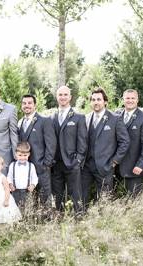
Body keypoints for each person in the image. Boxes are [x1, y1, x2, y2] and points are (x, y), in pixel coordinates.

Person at [82, 88, 130, 205]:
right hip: (86, 167)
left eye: (99, 99)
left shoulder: (115, 119)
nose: (96, 102)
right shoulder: (86, 118)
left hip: (105, 166)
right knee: (82, 198)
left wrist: (115, 161)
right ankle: (81, 219)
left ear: (105, 102)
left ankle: (104, 221)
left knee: (105, 200)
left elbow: (125, 142)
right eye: (93, 100)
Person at [51, 86, 87, 214]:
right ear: (57, 97)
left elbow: (82, 142)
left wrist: (78, 160)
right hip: (56, 164)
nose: (63, 97)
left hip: (72, 163)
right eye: (60, 95)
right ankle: (59, 217)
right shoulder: (51, 118)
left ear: (70, 97)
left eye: (65, 95)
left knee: (76, 194)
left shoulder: (79, 118)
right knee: (57, 195)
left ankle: (78, 217)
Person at [18, 94, 56, 209]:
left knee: (45, 199)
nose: (27, 105)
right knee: (30, 200)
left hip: (41, 167)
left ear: (35, 105)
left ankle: (47, 224)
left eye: (29, 103)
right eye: (24, 103)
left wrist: (46, 164)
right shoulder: (20, 123)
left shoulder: (44, 121)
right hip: (25, 168)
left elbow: (51, 144)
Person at [116, 89, 143, 197]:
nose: (130, 100)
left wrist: (141, 165)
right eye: (127, 98)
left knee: (134, 203)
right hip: (116, 168)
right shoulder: (116, 115)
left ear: (137, 100)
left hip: (134, 169)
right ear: (123, 100)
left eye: (133, 98)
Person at [7, 142, 38, 213]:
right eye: (20, 155)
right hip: (15, 191)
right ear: (16, 154)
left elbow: (35, 178)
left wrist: (33, 185)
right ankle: (16, 222)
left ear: (29, 154)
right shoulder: (12, 165)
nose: (22, 157)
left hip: (27, 191)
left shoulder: (31, 166)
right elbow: (9, 176)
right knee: (15, 208)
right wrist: (10, 184)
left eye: (25, 155)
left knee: (27, 208)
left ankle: (26, 221)